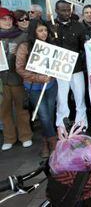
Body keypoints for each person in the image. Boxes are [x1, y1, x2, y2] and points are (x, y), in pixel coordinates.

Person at [16, 19, 58, 158]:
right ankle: (53, 143)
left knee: (50, 115)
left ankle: (46, 143)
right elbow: (20, 69)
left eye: (45, 30)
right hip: (34, 87)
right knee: (44, 116)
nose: (44, 33)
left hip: (51, 86)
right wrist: (40, 78)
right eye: (40, 30)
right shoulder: (25, 47)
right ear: (33, 32)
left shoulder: (51, 45)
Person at [47, 0, 88, 128]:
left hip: (76, 68)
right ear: (56, 10)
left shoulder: (78, 26)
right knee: (61, 100)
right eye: (63, 10)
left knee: (80, 99)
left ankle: (81, 125)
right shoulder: (49, 25)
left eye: (68, 10)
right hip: (59, 69)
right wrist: (51, 36)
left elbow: (84, 47)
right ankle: (61, 126)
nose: (66, 13)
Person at [0, 8, 32, 151]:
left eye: (9, 19)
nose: (7, 22)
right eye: (3, 19)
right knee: (4, 110)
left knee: (21, 109)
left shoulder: (21, 36)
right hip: (1, 81)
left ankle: (25, 136)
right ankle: (9, 138)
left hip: (18, 78)